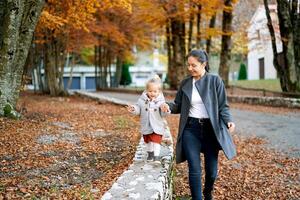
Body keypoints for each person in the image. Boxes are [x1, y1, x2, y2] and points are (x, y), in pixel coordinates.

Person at [160, 49, 236, 200]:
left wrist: (229, 121)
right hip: (191, 130)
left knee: (212, 172)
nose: (190, 68)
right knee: (194, 169)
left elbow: (223, 106)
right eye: (188, 65)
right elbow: (178, 105)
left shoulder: (215, 81)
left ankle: (208, 193)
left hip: (211, 130)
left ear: (204, 64)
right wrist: (168, 106)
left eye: (193, 65)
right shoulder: (186, 83)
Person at [127, 75, 169, 163]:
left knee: (156, 141)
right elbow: (138, 108)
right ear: (146, 90)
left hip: (157, 126)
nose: (152, 93)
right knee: (149, 142)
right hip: (146, 125)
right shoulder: (142, 100)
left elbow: (164, 113)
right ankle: (150, 154)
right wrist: (134, 109)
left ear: (159, 91)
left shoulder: (161, 101)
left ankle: (156, 157)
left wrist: (166, 109)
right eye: (150, 91)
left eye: (155, 91)